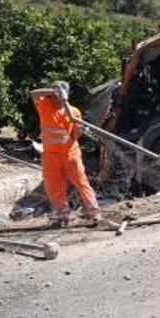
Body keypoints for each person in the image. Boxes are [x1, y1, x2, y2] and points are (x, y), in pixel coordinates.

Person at [30, 81, 101, 226]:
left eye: (59, 95)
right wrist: (52, 91)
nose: (56, 100)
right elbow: (33, 94)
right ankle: (63, 214)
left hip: (70, 154)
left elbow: (74, 135)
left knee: (81, 182)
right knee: (54, 186)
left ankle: (93, 211)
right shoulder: (45, 105)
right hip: (51, 155)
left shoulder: (73, 112)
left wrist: (79, 131)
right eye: (54, 96)